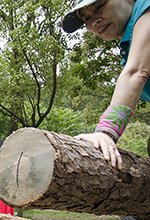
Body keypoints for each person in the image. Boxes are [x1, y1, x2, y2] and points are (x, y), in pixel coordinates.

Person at [62, 0, 150, 168]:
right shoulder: (129, 47)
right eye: (86, 18)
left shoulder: (146, 8)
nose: (95, 21)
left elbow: (136, 72)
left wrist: (105, 133)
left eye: (100, 7)